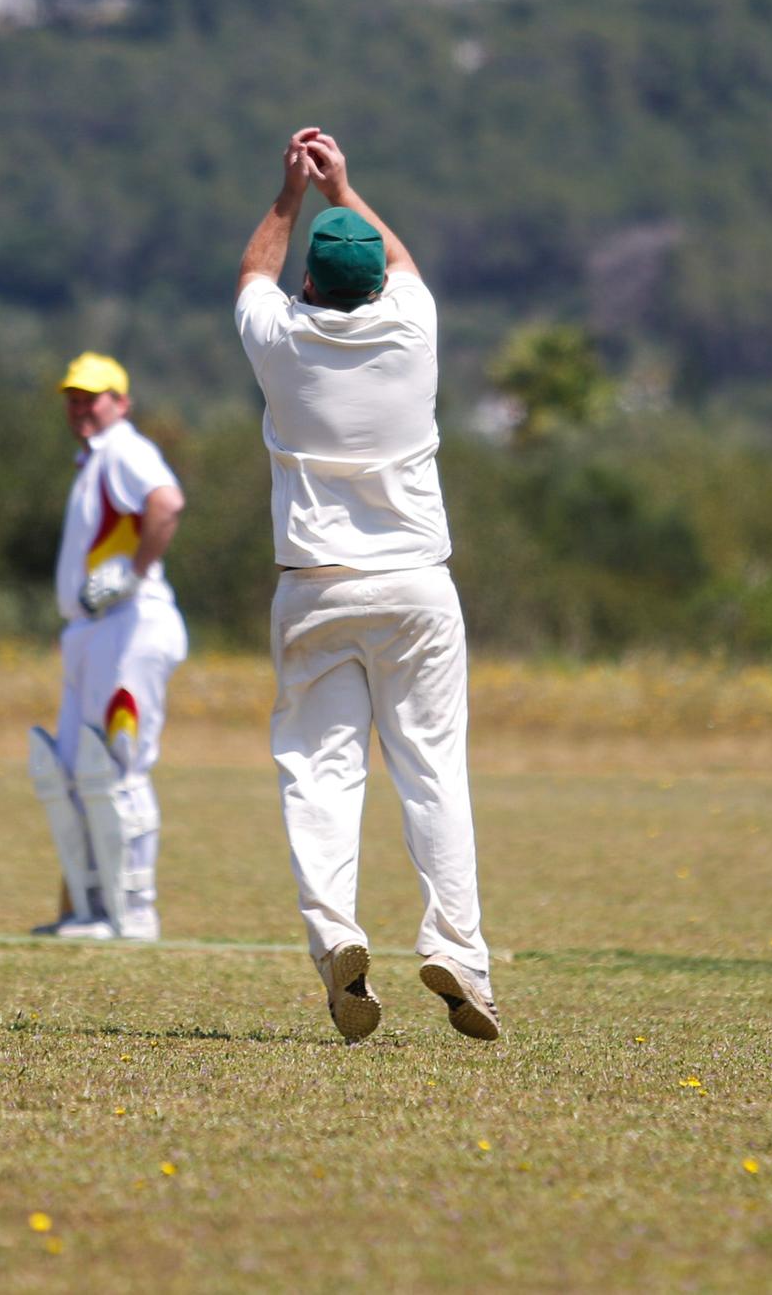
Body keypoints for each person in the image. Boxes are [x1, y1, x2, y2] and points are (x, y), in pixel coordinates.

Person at [234, 127, 498, 1044]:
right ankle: (460, 951)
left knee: (320, 775)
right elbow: (403, 256)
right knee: (434, 772)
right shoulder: (412, 328)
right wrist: (344, 186)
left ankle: (338, 935)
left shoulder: (282, 340)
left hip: (315, 588)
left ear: (312, 285)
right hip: (417, 586)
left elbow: (252, 276)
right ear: (377, 286)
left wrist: (291, 194)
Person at [26, 352, 188, 942]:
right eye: (72, 397)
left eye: (92, 397)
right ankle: (94, 910)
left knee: (117, 768)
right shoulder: (94, 460)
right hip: (97, 631)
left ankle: (134, 912)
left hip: (131, 626)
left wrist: (136, 571)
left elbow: (166, 504)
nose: (80, 408)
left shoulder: (125, 449)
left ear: (120, 401)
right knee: (72, 770)